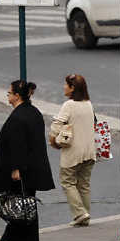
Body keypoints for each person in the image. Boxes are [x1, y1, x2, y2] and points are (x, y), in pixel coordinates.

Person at [0, 81, 54, 241]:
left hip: (22, 169)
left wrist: (16, 168)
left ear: (17, 96)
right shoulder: (31, 112)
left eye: (9, 93)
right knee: (19, 202)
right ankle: (9, 238)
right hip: (30, 167)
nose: (8, 96)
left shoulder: (21, 115)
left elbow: (19, 144)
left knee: (23, 204)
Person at [49, 74, 96, 227]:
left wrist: (53, 139)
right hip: (89, 151)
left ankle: (80, 213)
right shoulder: (88, 104)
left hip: (73, 152)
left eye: (66, 85)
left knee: (67, 182)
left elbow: (57, 124)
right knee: (84, 184)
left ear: (72, 88)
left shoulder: (69, 105)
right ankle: (85, 215)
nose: (64, 87)